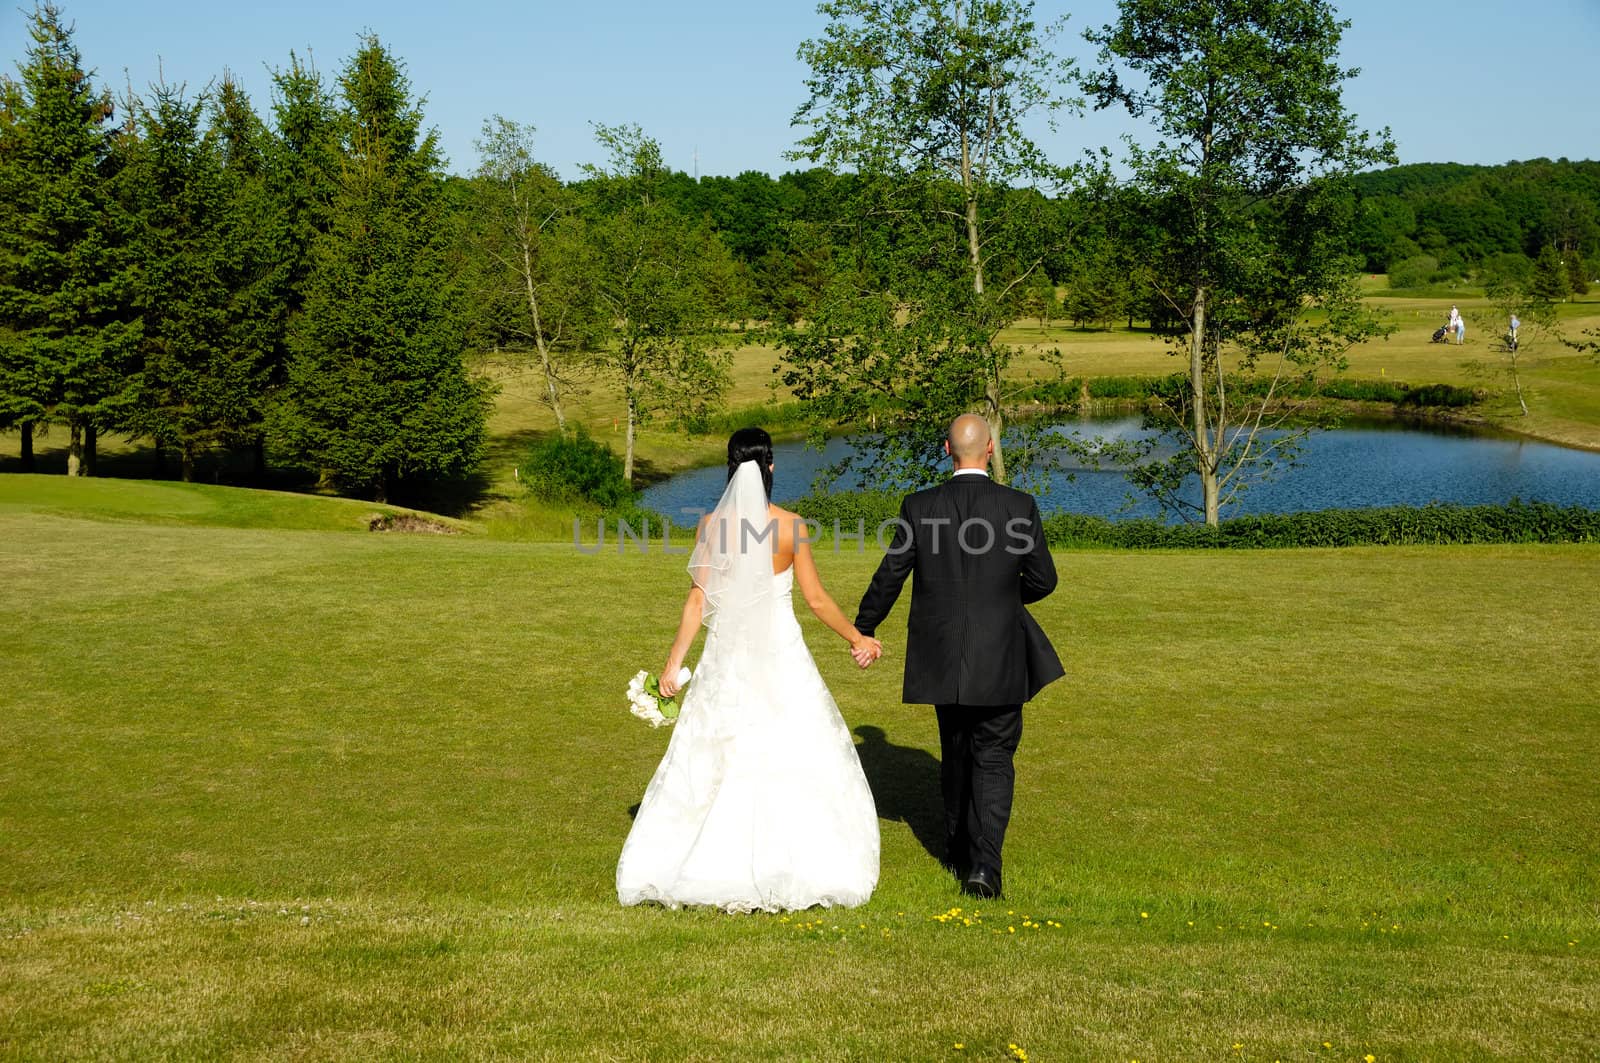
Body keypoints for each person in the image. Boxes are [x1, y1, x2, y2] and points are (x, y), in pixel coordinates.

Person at [617, 428, 880, 912]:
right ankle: (794, 849)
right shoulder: (790, 526)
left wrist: (674, 663)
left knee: (721, 744)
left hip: (726, 655)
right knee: (789, 743)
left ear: (730, 468)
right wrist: (857, 638)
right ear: (771, 467)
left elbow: (698, 600)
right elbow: (816, 600)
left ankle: (706, 852)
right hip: (780, 651)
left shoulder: (710, 527)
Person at [853, 415, 1063, 900]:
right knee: (993, 755)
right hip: (1000, 650)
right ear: (989, 448)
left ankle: (957, 850)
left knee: (955, 749)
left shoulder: (919, 506)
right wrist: (1004, 603)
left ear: (947, 449)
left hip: (940, 650)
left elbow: (891, 574)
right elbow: (1044, 579)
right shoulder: (1018, 506)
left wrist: (865, 626)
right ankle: (984, 867)